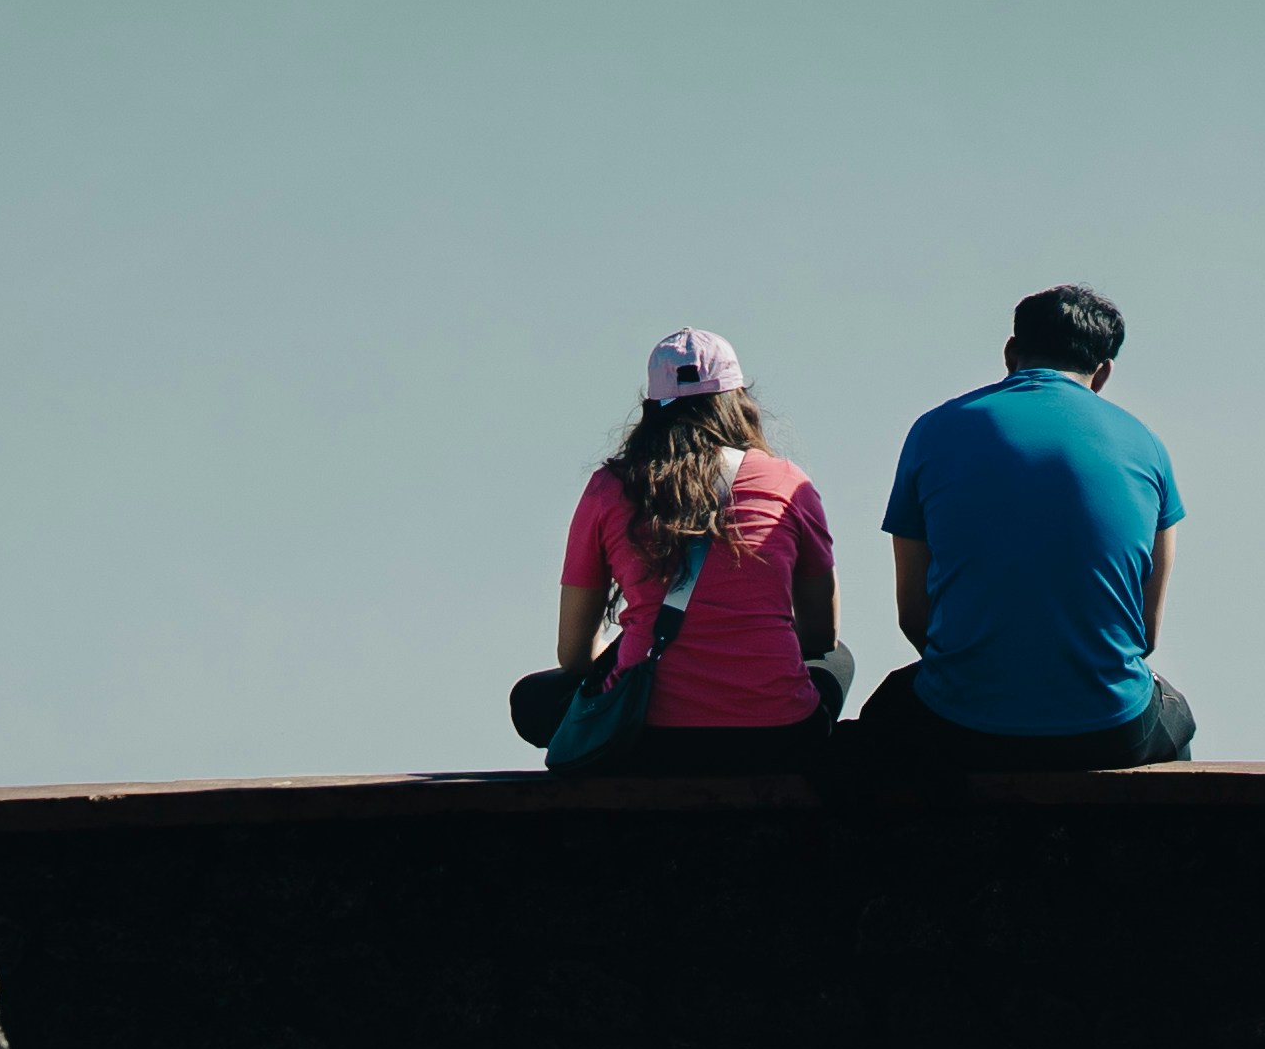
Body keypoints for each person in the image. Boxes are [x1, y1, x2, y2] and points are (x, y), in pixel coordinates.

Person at [849, 283, 1194, 771]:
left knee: (886, 709)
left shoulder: (934, 430)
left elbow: (914, 617)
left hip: (959, 725)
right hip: (1107, 727)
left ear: (1011, 353)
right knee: (1175, 716)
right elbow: (1145, 632)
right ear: (1103, 373)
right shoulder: (1147, 446)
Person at [506, 327, 851, 772]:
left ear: (651, 407)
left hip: (646, 740)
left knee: (533, 699)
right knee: (837, 659)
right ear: (738, 401)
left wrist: (635, 653)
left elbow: (572, 655)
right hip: (777, 737)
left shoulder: (609, 488)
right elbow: (821, 635)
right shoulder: (789, 483)